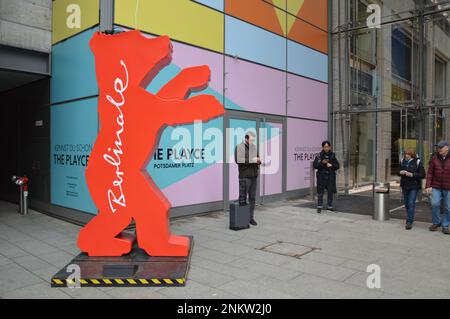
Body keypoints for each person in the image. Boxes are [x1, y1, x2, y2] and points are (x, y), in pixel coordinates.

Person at [234, 131, 261, 226]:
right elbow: (238, 160)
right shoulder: (239, 147)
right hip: (245, 176)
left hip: (254, 176)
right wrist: (253, 160)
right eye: (251, 139)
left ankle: (250, 218)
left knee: (252, 198)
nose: (252, 141)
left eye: (253, 139)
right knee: (243, 198)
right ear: (246, 138)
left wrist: (258, 161)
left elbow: (257, 158)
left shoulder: (253, 147)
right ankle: (242, 219)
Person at [425, 140, 450, 235]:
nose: (439, 149)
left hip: (448, 187)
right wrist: (428, 185)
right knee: (434, 203)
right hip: (436, 186)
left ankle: (445, 225)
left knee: (448, 207)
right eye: (438, 147)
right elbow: (430, 172)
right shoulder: (434, 158)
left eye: (441, 147)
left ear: (447, 148)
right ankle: (436, 222)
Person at [398, 149, 425, 230]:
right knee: (406, 203)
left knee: (411, 203)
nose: (406, 155)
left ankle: (409, 222)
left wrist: (412, 175)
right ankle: (410, 217)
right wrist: (400, 172)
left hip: (414, 186)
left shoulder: (418, 162)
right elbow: (397, 171)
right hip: (405, 185)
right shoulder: (402, 161)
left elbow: (422, 174)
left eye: (408, 154)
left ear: (412, 155)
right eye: (405, 154)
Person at [313, 141, 340, 214]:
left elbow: (337, 166)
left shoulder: (332, 155)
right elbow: (315, 165)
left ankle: (329, 206)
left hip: (330, 176)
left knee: (330, 192)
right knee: (320, 192)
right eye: (325, 147)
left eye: (327, 146)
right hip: (321, 176)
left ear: (330, 147)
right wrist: (322, 163)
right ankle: (319, 206)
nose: (326, 148)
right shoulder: (319, 155)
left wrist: (331, 165)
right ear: (322, 147)